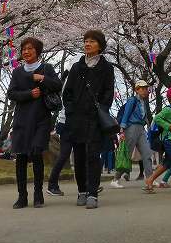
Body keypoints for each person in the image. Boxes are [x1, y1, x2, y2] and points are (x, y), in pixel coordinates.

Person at [7, 36, 62, 209]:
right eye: (24, 49)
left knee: (37, 154)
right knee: (21, 157)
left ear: (37, 51)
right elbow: (12, 93)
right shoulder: (17, 72)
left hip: (41, 119)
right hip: (22, 120)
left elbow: (58, 85)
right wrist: (29, 94)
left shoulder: (46, 68)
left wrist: (42, 78)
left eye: (30, 48)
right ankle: (22, 196)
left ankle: (38, 195)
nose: (26, 52)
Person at [62, 29, 115, 209]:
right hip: (77, 118)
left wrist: (102, 108)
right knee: (78, 155)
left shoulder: (107, 68)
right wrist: (70, 111)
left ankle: (93, 192)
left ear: (100, 45)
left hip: (95, 118)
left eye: (92, 41)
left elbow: (109, 91)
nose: (87, 44)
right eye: (86, 41)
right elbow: (67, 92)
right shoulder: (77, 67)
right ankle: (82, 190)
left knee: (93, 155)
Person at [111, 79, 154, 188]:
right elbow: (125, 115)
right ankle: (115, 179)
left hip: (140, 128)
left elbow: (144, 117)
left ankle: (150, 179)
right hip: (131, 128)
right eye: (142, 89)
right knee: (126, 155)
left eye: (146, 88)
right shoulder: (132, 100)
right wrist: (122, 130)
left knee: (147, 153)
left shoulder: (143, 102)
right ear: (137, 90)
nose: (145, 91)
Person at [47, 70, 72, 196]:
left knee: (72, 153)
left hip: (66, 122)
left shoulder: (66, 81)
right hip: (68, 122)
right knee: (65, 154)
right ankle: (52, 183)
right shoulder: (70, 81)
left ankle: (89, 184)